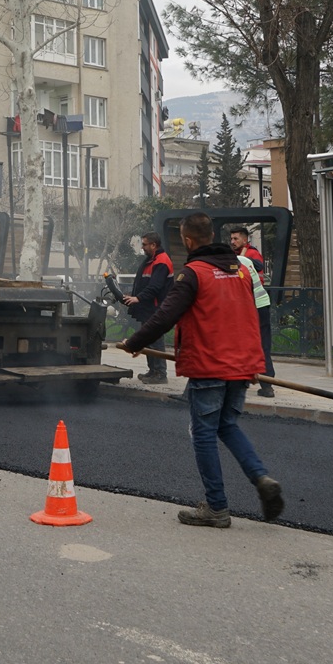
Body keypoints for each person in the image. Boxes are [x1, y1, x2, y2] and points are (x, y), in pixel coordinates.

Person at [122, 212, 286, 528]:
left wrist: (134, 342)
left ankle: (216, 507)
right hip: (241, 364)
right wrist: (254, 363)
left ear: (187, 239)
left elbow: (164, 316)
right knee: (228, 425)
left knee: (203, 433)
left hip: (210, 364)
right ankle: (261, 477)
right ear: (211, 235)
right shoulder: (240, 272)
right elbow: (252, 317)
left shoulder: (193, 274)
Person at [228, 227, 275, 397]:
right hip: (261, 303)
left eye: (235, 238)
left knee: (245, 344)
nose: (233, 242)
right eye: (231, 239)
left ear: (245, 239)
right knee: (263, 344)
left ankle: (243, 380)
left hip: (252, 306)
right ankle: (267, 384)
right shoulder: (241, 258)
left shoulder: (242, 258)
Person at [121, 233, 173, 384]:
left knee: (155, 340)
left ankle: (160, 374)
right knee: (149, 340)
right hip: (148, 307)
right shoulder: (151, 260)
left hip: (156, 308)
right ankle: (153, 371)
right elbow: (144, 283)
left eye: (144, 244)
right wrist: (133, 296)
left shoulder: (161, 261)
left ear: (153, 245)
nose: (142, 247)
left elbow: (155, 287)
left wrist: (138, 298)